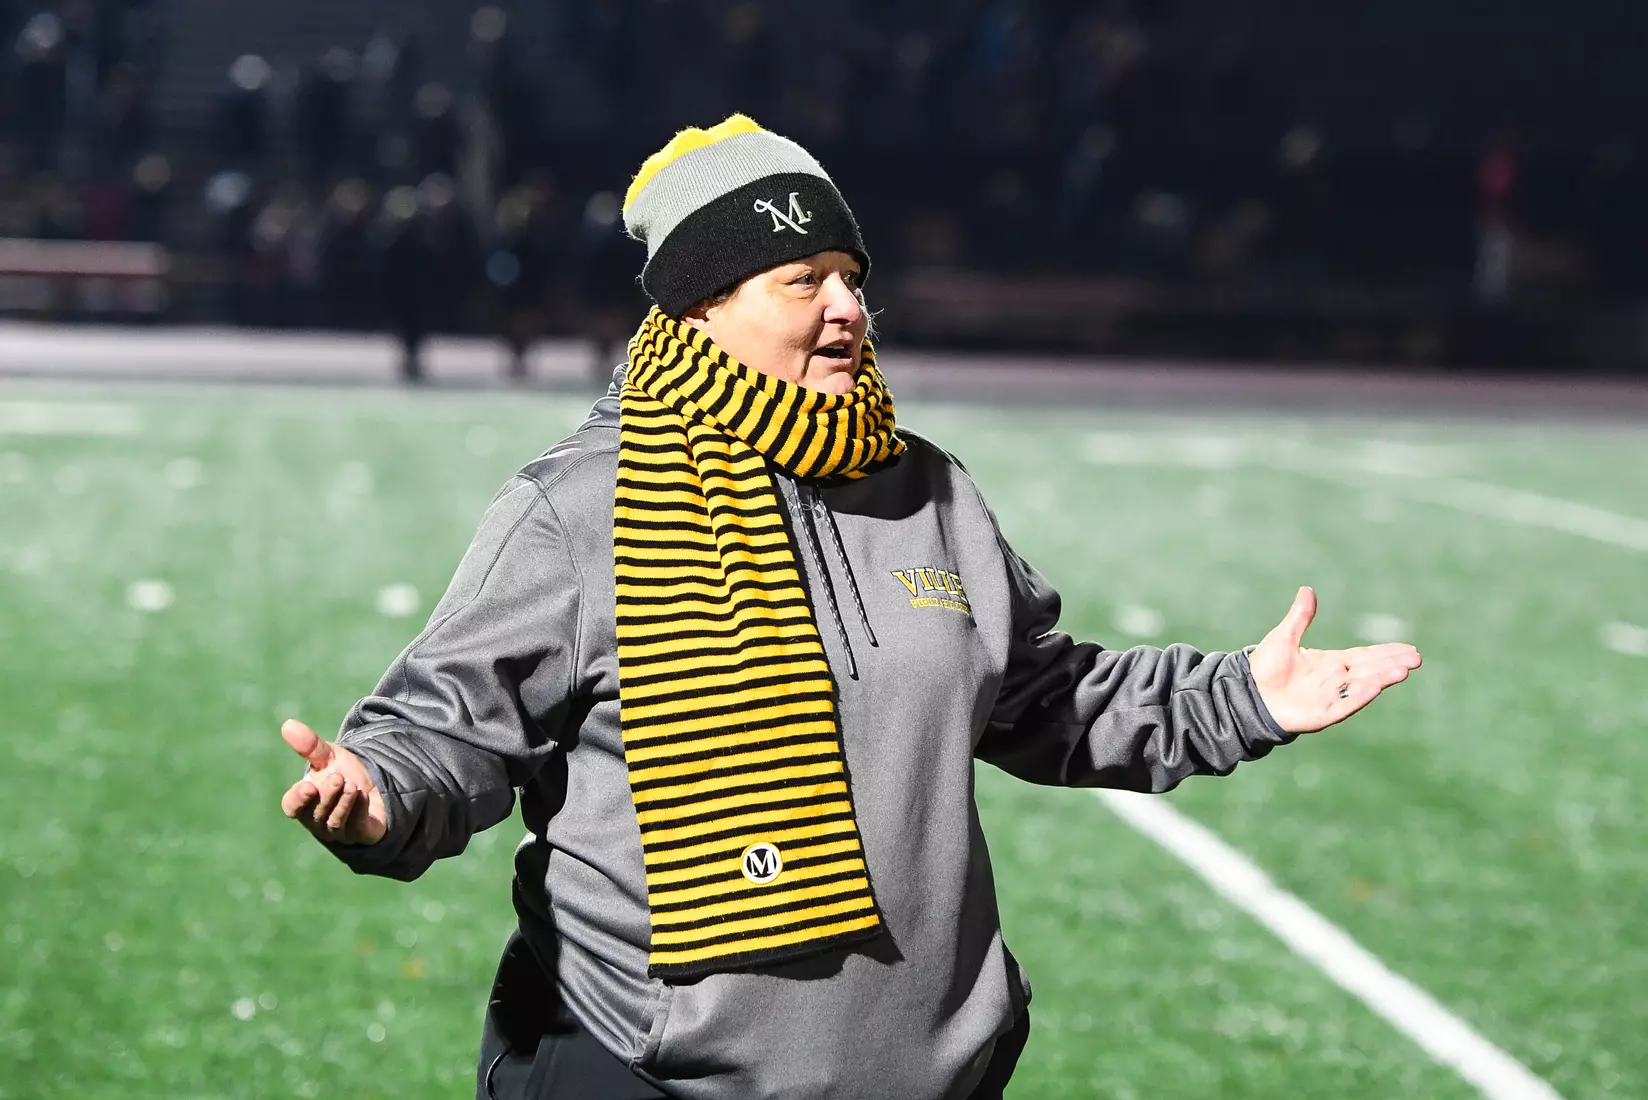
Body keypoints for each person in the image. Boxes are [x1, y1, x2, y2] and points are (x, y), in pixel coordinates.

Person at [278, 114, 1423, 1100]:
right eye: (803, 280)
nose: (846, 310)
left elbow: (1044, 695)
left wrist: (1243, 695)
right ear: (703, 303)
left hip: (928, 1073)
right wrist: (382, 793)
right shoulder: (577, 505)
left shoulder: (928, 488)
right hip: (646, 1070)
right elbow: (443, 727)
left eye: (853, 278)